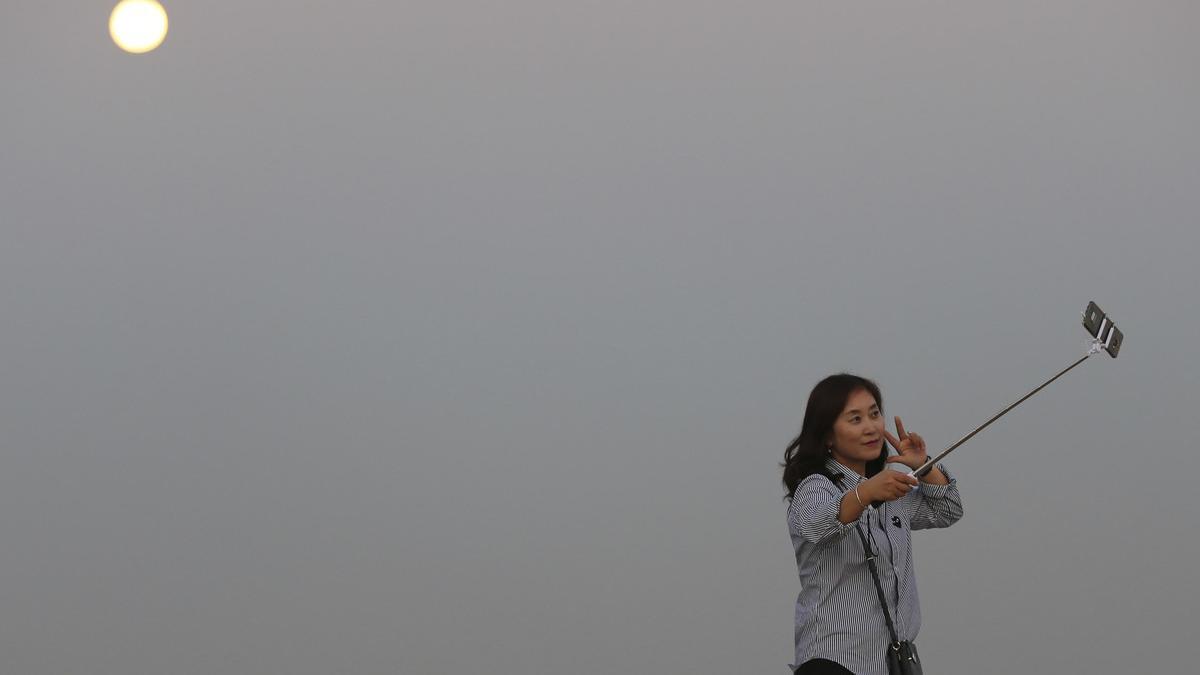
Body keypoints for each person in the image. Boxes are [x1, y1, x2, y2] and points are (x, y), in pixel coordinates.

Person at [783, 374, 963, 674]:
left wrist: (924, 466)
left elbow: (947, 510)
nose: (871, 427)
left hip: (888, 664)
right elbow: (817, 525)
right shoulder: (816, 486)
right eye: (855, 419)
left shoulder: (888, 490)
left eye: (874, 413)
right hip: (834, 662)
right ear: (828, 435)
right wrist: (865, 493)